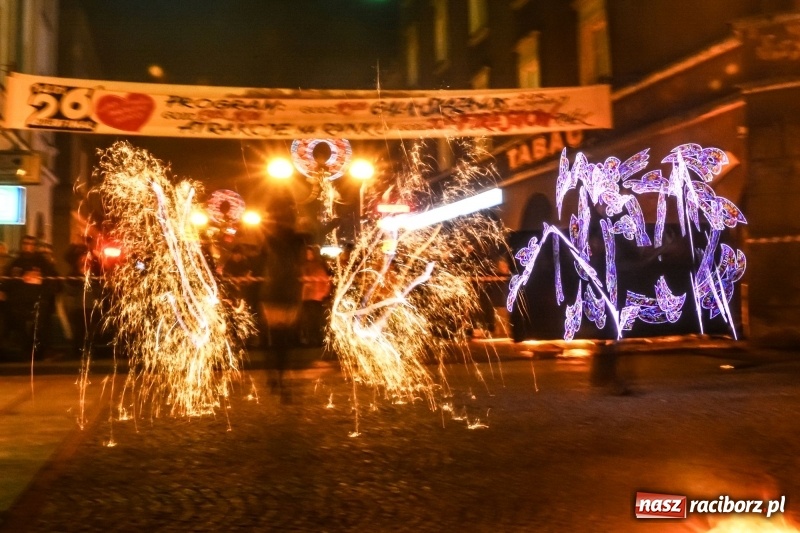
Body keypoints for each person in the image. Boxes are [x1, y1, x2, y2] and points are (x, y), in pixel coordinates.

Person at [257, 217, 305, 403]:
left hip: (273, 296)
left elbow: (262, 258)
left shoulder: (271, 241)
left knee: (274, 339)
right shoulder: (297, 242)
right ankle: (280, 378)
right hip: (286, 297)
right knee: (283, 341)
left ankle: (274, 377)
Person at [0, 235, 60, 360]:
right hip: (18, 302)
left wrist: (46, 296)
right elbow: (8, 283)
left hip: (38, 301)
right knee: (14, 319)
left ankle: (40, 351)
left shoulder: (42, 263)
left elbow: (52, 282)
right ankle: (22, 350)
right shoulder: (16, 263)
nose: (28, 247)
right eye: (25, 244)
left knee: (41, 320)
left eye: (31, 244)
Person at [299, 245, 332, 347]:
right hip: (306, 298)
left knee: (315, 320)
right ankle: (310, 339)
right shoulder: (304, 266)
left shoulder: (319, 266)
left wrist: (323, 293)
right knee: (307, 320)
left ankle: (317, 339)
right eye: (307, 253)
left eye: (310, 253)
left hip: (316, 298)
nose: (308, 255)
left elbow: (325, 281)